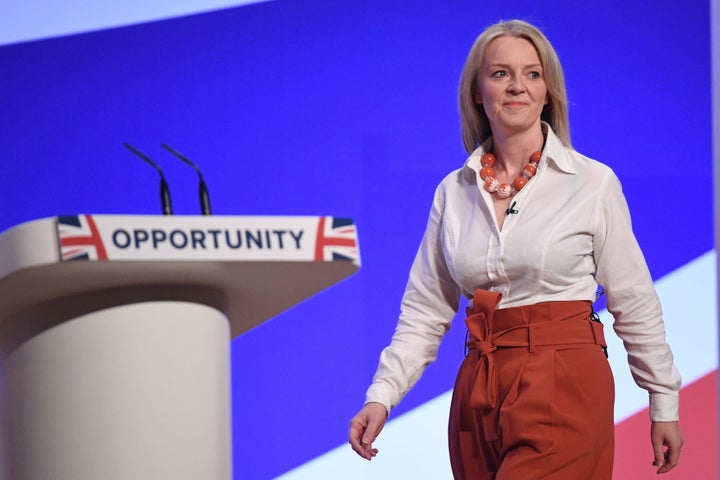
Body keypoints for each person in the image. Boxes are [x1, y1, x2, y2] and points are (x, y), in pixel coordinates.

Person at [348, 19, 684, 479]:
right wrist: (381, 395)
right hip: (478, 387)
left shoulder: (592, 183)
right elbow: (425, 310)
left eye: (532, 74)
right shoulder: (454, 191)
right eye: (500, 73)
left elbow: (633, 298)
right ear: (476, 92)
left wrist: (662, 400)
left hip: (563, 377)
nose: (517, 87)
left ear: (549, 92)